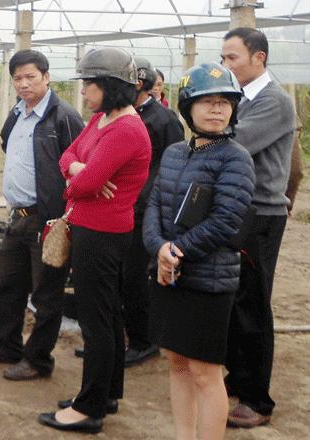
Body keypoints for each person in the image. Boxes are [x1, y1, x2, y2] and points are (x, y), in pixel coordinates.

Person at [39, 47, 150, 434]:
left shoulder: (126, 130)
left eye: (89, 84)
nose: (83, 91)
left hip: (103, 234)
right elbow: (67, 157)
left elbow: (80, 186)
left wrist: (79, 179)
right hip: (93, 228)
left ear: (110, 86)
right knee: (108, 314)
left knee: (97, 320)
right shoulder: (103, 119)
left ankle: (89, 409)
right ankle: (107, 393)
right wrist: (81, 170)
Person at [144, 63, 255, 440]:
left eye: (225, 102)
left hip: (209, 279)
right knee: (177, 362)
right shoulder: (175, 153)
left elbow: (227, 220)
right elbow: (154, 207)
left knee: (206, 371)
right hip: (170, 273)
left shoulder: (235, 157)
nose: (217, 109)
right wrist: (159, 247)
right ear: (187, 107)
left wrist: (176, 250)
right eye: (206, 101)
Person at [0, 50, 84, 381]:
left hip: (47, 218)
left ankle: (38, 360)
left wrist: (64, 218)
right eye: (17, 78)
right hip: (16, 217)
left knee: (47, 292)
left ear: (47, 77)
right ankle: (6, 345)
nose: (23, 83)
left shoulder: (64, 116)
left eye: (30, 76)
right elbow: (9, 146)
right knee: (8, 283)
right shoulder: (16, 114)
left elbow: (78, 165)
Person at [220, 27, 296, 428]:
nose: (226, 65)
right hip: (240, 210)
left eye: (232, 58)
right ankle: (238, 376)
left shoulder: (274, 101)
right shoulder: (245, 99)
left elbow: (234, 143)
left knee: (252, 304)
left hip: (261, 215)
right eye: (224, 58)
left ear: (259, 58)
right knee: (234, 298)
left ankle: (256, 400)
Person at [122, 58, 184, 367]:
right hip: (122, 206)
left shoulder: (163, 119)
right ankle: (126, 337)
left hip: (144, 209)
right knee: (121, 275)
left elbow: (172, 166)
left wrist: (151, 201)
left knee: (134, 276)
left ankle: (143, 342)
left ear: (139, 85)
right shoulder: (120, 116)